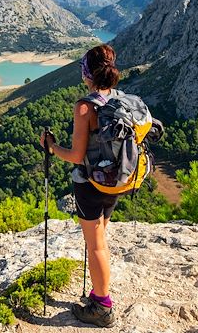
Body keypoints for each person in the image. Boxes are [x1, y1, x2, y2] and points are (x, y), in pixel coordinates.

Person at [39, 44, 121, 327]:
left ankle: (102, 306)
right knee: (100, 239)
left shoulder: (85, 106)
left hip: (90, 184)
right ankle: (99, 290)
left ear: (88, 73)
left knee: (95, 244)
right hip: (115, 181)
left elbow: (75, 155)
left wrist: (52, 147)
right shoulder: (118, 99)